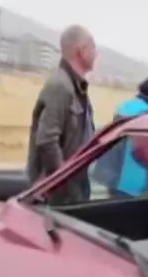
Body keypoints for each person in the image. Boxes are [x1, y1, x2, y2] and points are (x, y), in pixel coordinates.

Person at [26, 25, 97, 205]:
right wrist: (61, 179)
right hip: (58, 196)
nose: (96, 53)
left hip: (74, 189)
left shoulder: (75, 87)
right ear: (81, 51)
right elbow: (47, 139)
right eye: (93, 46)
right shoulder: (60, 86)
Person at [92, 76, 148, 198]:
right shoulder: (147, 113)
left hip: (115, 177)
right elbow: (141, 150)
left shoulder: (124, 106)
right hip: (135, 181)